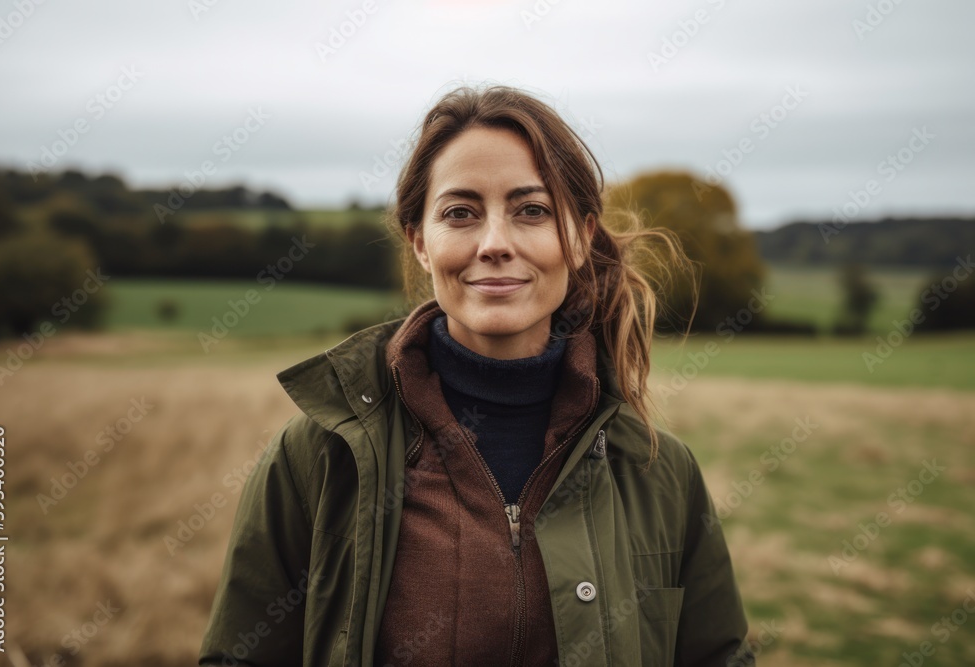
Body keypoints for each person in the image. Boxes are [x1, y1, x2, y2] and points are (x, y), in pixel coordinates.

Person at [199, 84, 754, 667]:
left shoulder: (660, 472)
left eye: (532, 211)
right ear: (419, 241)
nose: (495, 244)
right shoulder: (317, 457)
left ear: (582, 236)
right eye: (460, 213)